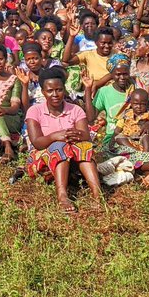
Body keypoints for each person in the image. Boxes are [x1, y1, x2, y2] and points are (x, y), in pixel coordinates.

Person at [23, 68, 103, 213]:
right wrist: (55, 136)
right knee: (59, 146)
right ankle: (62, 196)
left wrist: (76, 134)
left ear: (64, 90)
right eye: (50, 91)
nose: (55, 94)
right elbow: (36, 143)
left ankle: (98, 197)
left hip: (72, 161)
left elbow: (85, 135)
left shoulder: (75, 110)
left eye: (59, 90)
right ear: (43, 92)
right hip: (42, 160)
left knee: (84, 147)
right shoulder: (34, 111)